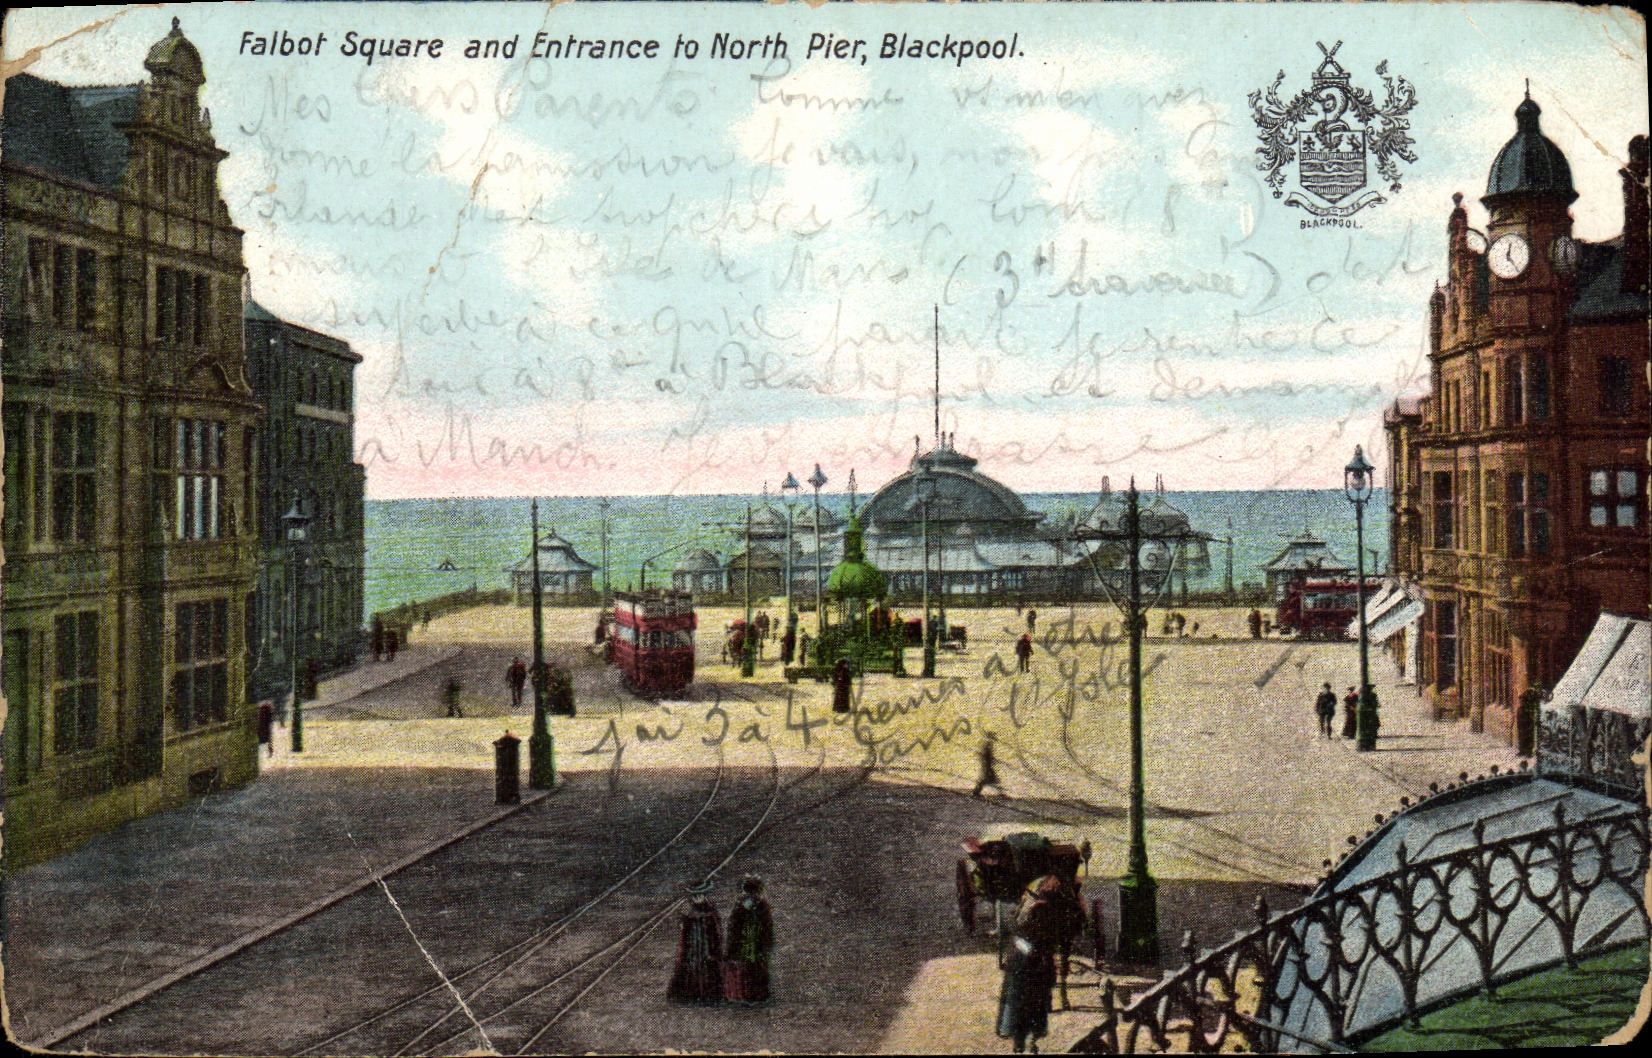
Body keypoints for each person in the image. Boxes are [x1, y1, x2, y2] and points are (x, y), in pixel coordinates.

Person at [997, 876, 1063, 1054]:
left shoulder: (1030, 903)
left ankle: (1025, 1043)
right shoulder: (1040, 908)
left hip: (1026, 961)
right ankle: (1025, 1043)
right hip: (1027, 963)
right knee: (1027, 1005)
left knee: (1027, 1005)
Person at [668, 886, 724, 1004]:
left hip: (706, 948)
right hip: (693, 948)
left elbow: (715, 933)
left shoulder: (710, 913)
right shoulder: (692, 913)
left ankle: (708, 995)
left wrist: (713, 949)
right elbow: (688, 929)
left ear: (704, 896)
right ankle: (692, 994)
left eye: (699, 896)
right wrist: (684, 922)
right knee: (692, 969)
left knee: (707, 970)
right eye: (694, 896)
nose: (696, 898)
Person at [723, 876, 774, 1004]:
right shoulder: (740, 907)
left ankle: (756, 995)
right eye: (749, 893)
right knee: (744, 969)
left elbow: (767, 928)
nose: (752, 896)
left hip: (756, 945)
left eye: (754, 893)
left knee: (755, 969)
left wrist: (766, 946)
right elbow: (733, 928)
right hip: (743, 945)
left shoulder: (763, 907)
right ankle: (743, 994)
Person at [973, 732, 1003, 797]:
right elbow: (986, 755)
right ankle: (976, 792)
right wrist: (990, 761)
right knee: (987, 779)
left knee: (990, 779)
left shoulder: (987, 744)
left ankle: (976, 792)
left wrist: (993, 760)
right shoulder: (988, 744)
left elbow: (986, 755)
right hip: (987, 765)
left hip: (987, 764)